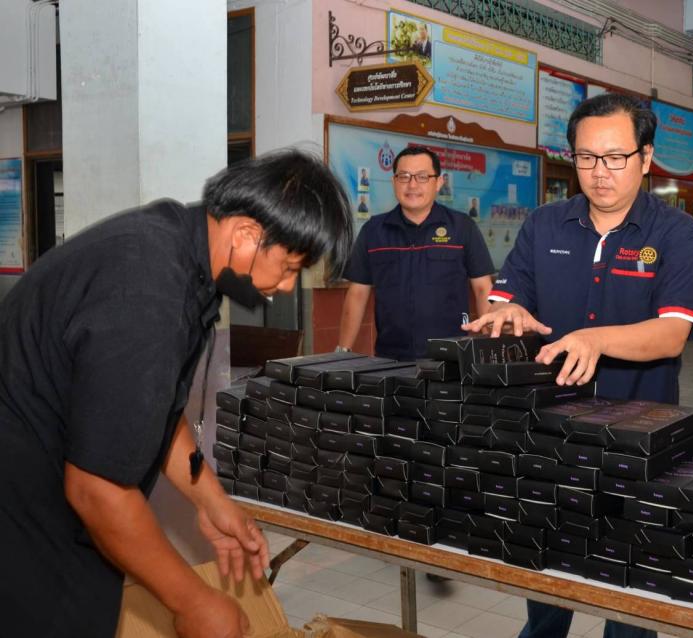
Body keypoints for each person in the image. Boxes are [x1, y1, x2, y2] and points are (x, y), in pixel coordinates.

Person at [0, 148, 354, 638]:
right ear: (246, 235)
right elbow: (97, 488)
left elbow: (154, 412)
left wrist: (210, 500)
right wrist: (194, 602)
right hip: (24, 513)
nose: (287, 287)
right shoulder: (147, 293)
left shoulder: (182, 253)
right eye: (289, 266)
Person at [463, 93, 693, 638]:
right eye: (586, 157)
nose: (600, 172)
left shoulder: (676, 233)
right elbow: (506, 302)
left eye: (616, 157)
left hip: (640, 442)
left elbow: (672, 335)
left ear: (645, 157)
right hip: (549, 436)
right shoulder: (544, 225)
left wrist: (594, 339)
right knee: (548, 582)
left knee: (631, 597)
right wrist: (507, 315)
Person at [338, 146, 494, 361]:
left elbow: (483, 289)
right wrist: (342, 352)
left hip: (451, 358)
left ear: (438, 182)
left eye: (422, 177)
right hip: (390, 359)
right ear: (394, 182)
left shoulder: (462, 227)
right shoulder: (373, 231)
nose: (412, 185)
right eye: (404, 176)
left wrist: (491, 348)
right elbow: (356, 295)